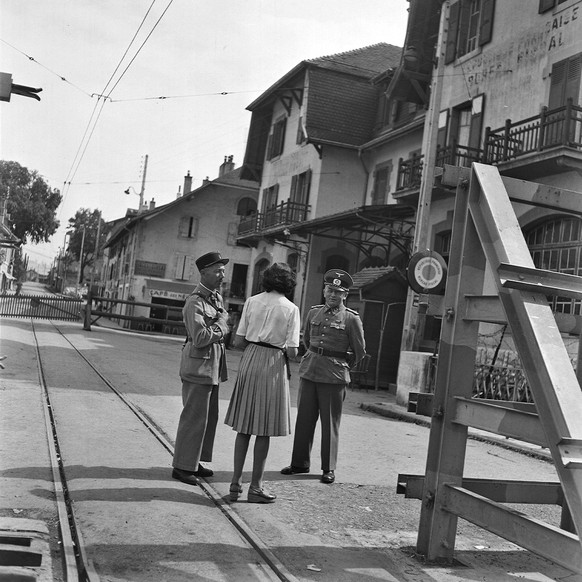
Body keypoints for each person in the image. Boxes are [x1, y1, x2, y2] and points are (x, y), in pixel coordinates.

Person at [281, 268, 365, 484]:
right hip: (310, 372)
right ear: (324, 291)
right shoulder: (313, 313)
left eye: (338, 292)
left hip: (334, 376)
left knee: (330, 424)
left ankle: (328, 468)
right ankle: (299, 463)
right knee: (304, 420)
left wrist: (341, 365)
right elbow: (307, 341)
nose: (333, 295)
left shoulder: (351, 318)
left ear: (345, 295)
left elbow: (359, 351)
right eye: (330, 290)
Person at [225, 263, 300, 503]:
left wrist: (255, 344)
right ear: (288, 283)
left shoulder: (251, 301)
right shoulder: (291, 308)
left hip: (250, 360)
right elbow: (292, 350)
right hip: (273, 363)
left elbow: (237, 341)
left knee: (244, 427)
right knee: (264, 429)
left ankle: (235, 485)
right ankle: (256, 487)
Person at [172, 251, 230, 486]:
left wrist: (219, 322)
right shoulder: (194, 301)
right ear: (204, 272)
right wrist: (223, 326)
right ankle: (181, 467)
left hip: (210, 367)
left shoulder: (215, 298)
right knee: (193, 417)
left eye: (223, 271)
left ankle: (193, 461)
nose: (222, 275)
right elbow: (199, 337)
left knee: (207, 418)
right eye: (217, 271)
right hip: (198, 367)